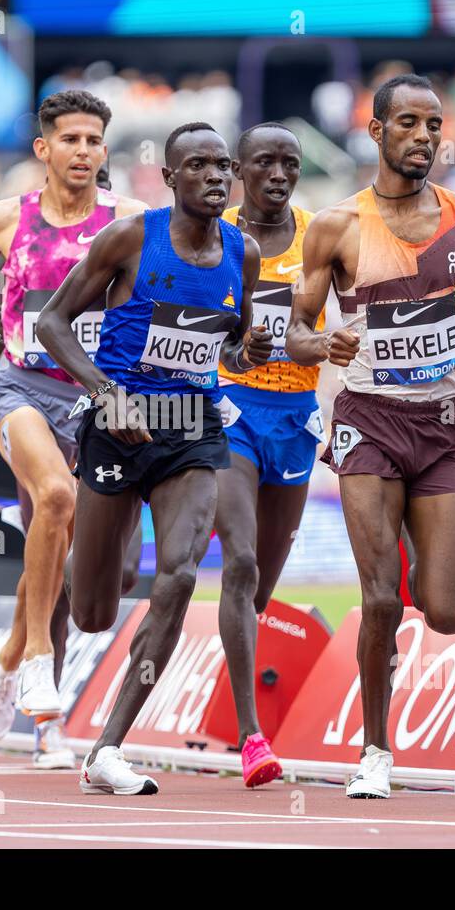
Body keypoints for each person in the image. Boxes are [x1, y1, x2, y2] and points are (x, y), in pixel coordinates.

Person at [286, 75, 455, 800]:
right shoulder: (336, 226)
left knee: (444, 611)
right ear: (377, 131)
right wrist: (325, 347)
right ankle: (375, 750)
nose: (424, 135)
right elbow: (294, 330)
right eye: (408, 122)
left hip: (443, 423)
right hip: (368, 422)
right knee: (381, 594)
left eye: (434, 123)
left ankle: (408, 563)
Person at [37, 121, 270, 794]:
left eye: (223, 166)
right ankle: (42, 626)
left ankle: (107, 748)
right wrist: (108, 394)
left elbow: (230, 341)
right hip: (117, 426)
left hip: (190, 428)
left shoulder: (241, 251)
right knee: (94, 609)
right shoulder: (131, 237)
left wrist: (241, 353)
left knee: (178, 574)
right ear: (169, 179)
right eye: (196, 167)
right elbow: (53, 321)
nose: (214, 177)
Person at [0, 90, 146, 749]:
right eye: (71, 140)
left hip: (97, 402)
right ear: (44, 149)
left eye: (95, 141)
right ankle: (38, 662)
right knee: (56, 498)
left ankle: (6, 660)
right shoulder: (5, 219)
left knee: (61, 549)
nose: (84, 151)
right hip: (21, 389)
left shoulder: (131, 221)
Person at [210, 122, 319, 787]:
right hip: (230, 411)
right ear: (238, 169)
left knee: (262, 586)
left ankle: (231, 705)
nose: (278, 175)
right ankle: (255, 737)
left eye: (290, 164)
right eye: (265, 163)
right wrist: (232, 349)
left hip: (298, 417)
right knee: (241, 560)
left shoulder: (321, 234)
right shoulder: (214, 232)